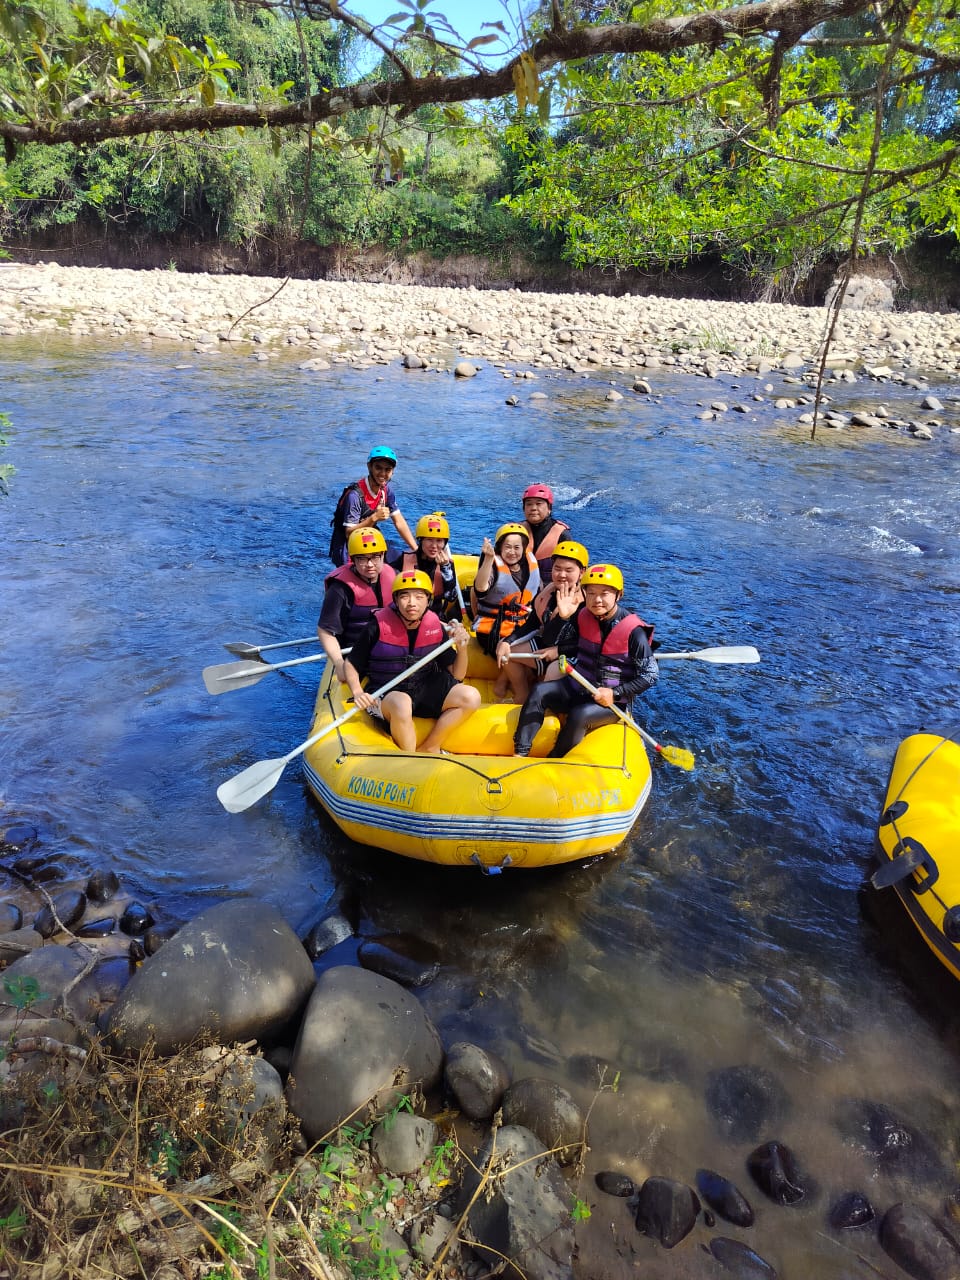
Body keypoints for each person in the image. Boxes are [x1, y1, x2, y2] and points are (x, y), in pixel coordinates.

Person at [513, 563, 658, 758]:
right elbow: (564, 641)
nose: (597, 600)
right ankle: (520, 752)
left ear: (618, 595)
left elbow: (650, 675)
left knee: (580, 714)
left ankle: (554, 759)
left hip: (607, 701)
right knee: (539, 690)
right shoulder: (582, 615)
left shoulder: (634, 631)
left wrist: (615, 693)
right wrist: (563, 618)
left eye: (604, 593)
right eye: (591, 593)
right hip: (576, 687)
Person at [344, 570, 478, 754]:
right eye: (405, 596)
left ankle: (430, 746)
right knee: (402, 702)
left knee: (471, 697)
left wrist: (462, 649)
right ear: (396, 600)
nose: (412, 603)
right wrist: (357, 692)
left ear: (428, 600)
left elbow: (458, 674)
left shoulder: (435, 626)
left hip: (422, 687)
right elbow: (351, 663)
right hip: (387, 693)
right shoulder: (377, 625)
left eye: (419, 597)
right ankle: (410, 760)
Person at [494, 539, 590, 703]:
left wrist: (559, 650)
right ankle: (522, 694)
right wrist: (508, 641)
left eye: (569, 570)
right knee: (506, 651)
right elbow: (532, 623)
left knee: (553, 670)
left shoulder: (587, 604)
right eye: (557, 569)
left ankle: (543, 705)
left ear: (581, 572)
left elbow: (588, 644)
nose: (562, 575)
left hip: (573, 655)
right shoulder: (549, 591)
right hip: (548, 644)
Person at [471, 522, 542, 701]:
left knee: (533, 647)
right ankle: (521, 694)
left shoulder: (530, 563)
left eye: (517, 547)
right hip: (493, 629)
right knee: (511, 651)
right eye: (507, 547)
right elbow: (480, 589)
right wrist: (487, 559)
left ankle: (501, 683)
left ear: (524, 548)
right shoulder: (493, 564)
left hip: (522, 626)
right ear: (499, 547)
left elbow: (538, 594)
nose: (512, 552)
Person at [317, 527, 396, 682]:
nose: (370, 564)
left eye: (375, 557)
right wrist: (339, 663)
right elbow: (325, 630)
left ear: (383, 555)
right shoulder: (340, 590)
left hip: (389, 646)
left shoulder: (394, 576)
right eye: (362, 558)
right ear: (353, 559)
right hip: (356, 651)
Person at [333, 445, 417, 565]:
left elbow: (399, 522)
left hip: (369, 542)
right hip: (348, 549)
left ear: (392, 471)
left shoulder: (386, 491)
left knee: (401, 561)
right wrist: (374, 517)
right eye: (378, 468)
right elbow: (349, 533)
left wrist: (416, 549)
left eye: (387, 469)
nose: (383, 473)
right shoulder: (355, 496)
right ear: (369, 467)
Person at [389, 511, 462, 622]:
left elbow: (451, 596)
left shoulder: (447, 564)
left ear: (445, 543)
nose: (434, 546)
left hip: (434, 618)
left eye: (439, 541)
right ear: (420, 540)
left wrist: (445, 568)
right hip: (406, 616)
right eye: (429, 540)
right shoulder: (403, 559)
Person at [521, 484, 574, 580]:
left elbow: (571, 568)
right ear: (524, 508)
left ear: (549, 508)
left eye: (539, 503)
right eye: (529, 504)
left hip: (550, 586)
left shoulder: (562, 534)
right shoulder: (515, 532)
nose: (533, 508)